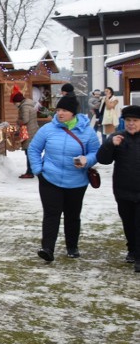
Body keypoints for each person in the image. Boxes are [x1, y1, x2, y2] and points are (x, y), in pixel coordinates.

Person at [27, 94, 100, 262]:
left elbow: (96, 153)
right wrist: (39, 171)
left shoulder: (86, 131)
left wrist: (86, 160)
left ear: (73, 113)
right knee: (51, 214)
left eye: (64, 110)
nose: (60, 113)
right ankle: (47, 248)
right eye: (58, 110)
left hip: (77, 181)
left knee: (72, 215)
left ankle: (72, 246)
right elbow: (34, 149)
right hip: (50, 179)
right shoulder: (47, 129)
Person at [95, 105, 140, 271]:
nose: (131, 124)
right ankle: (133, 250)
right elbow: (103, 159)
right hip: (123, 190)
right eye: (128, 120)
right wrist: (110, 145)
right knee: (129, 223)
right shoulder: (117, 137)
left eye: (135, 120)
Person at [12, 90, 40, 178]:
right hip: (32, 130)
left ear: (18, 101)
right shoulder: (29, 104)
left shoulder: (24, 107)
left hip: (28, 132)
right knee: (31, 152)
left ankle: (30, 172)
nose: (14, 105)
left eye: (14, 102)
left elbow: (25, 120)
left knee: (29, 152)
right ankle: (32, 170)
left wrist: (18, 121)